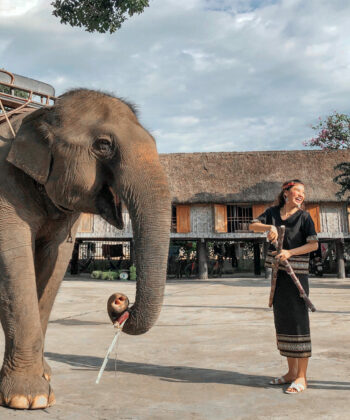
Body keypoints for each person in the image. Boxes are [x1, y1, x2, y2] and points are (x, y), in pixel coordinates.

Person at [249, 180, 318, 394]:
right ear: (286, 193)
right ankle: (290, 373)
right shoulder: (272, 213)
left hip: (297, 276)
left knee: (299, 324)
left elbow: (313, 244)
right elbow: (253, 225)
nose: (301, 195)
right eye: (298, 190)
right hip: (279, 279)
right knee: (284, 323)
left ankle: (301, 377)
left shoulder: (304, 217)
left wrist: (290, 252)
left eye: (304, 192)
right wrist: (269, 227)